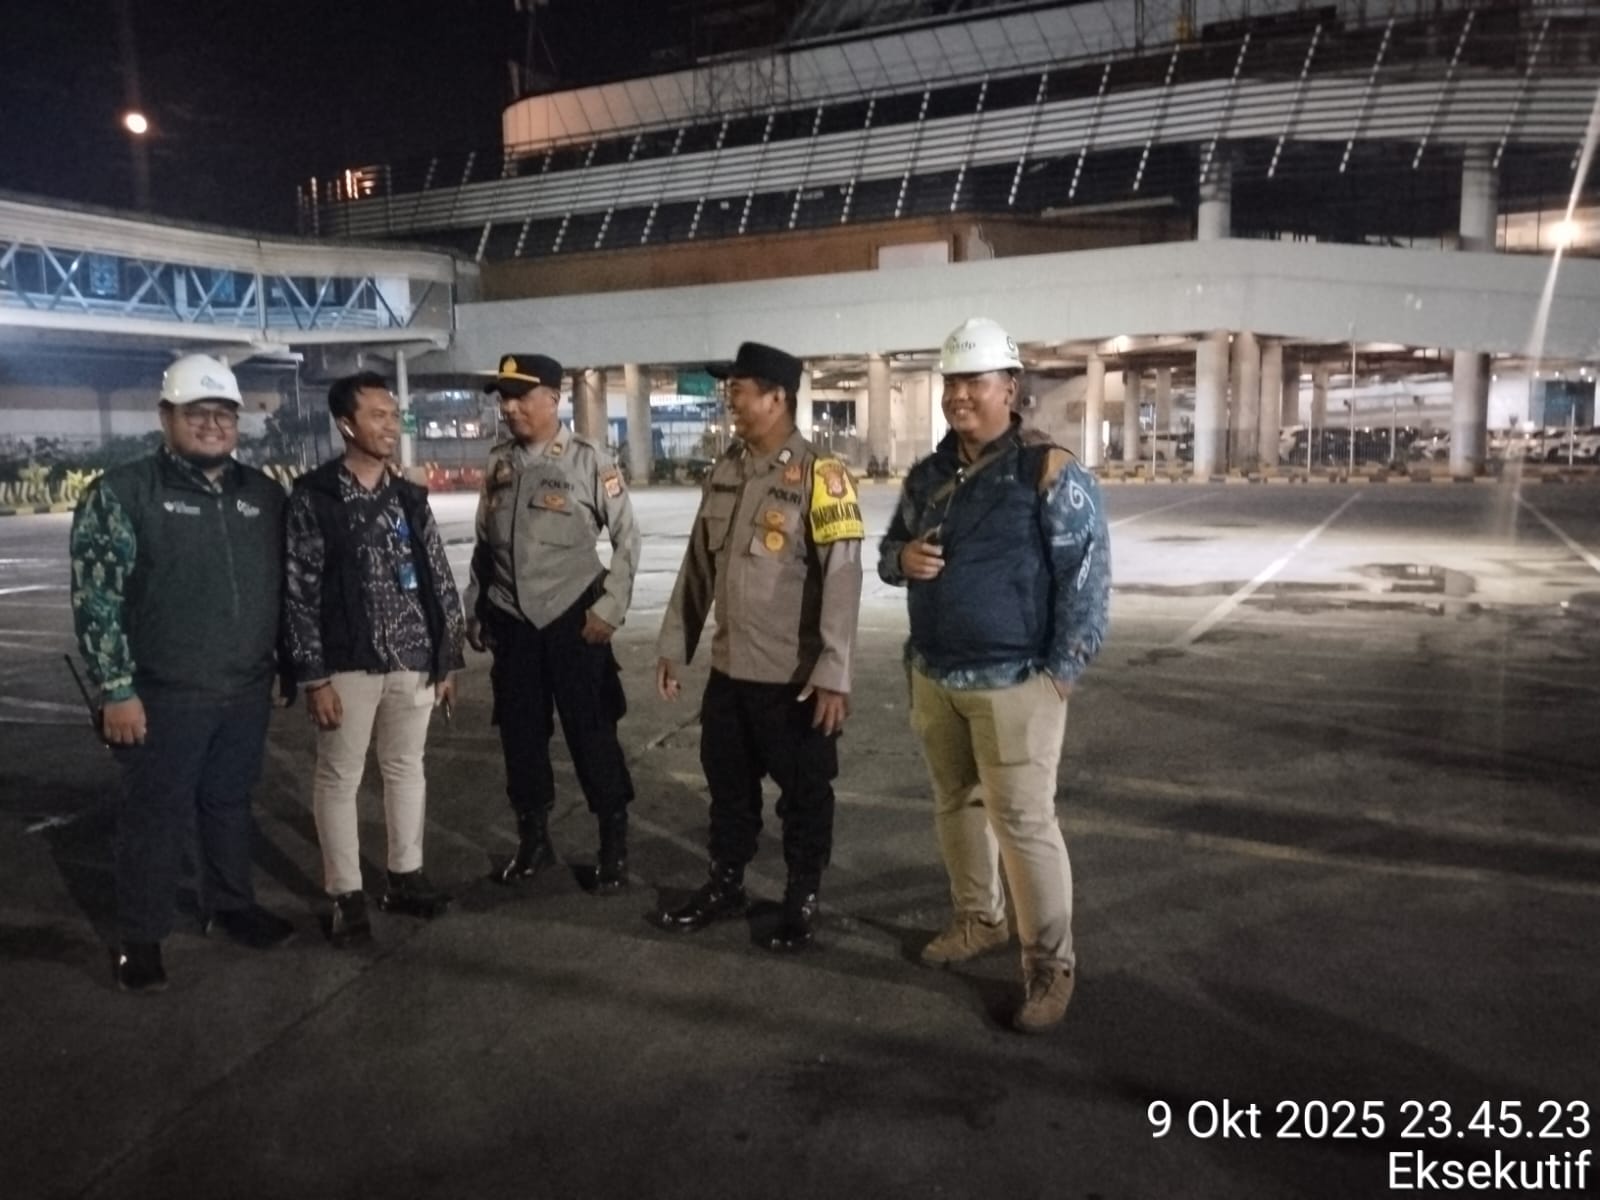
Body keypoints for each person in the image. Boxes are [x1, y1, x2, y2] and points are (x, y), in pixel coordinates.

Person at [878, 317, 1110, 1033]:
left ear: (1010, 387)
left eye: (974, 381)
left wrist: (1060, 674)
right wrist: (901, 561)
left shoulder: (1048, 470)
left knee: (1024, 825)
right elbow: (889, 551)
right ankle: (978, 919)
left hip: (1016, 683)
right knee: (957, 804)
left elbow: (1087, 578)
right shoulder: (928, 476)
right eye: (951, 382)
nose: (959, 395)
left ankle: (1049, 966)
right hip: (936, 677)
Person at [69, 353, 296, 993]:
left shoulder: (263, 495)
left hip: (245, 687)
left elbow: (282, 587)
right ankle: (141, 939)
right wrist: (116, 688)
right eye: (197, 412)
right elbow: (97, 600)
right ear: (166, 416)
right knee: (155, 816)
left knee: (228, 803)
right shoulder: (123, 493)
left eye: (224, 413)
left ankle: (232, 905)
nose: (213, 424)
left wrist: (285, 661)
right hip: (164, 694)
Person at [654, 341, 864, 952]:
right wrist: (676, 643)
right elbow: (698, 566)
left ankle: (801, 897)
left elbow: (844, 577)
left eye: (740, 391)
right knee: (728, 789)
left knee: (804, 795)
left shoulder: (824, 476)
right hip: (730, 672)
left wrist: (834, 671)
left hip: (793, 678)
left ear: (777, 398)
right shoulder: (726, 471)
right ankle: (726, 884)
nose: (732, 401)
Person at [283, 372, 466, 947]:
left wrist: (447, 656)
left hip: (413, 658)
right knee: (340, 776)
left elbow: (438, 576)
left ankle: (406, 876)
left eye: (394, 415)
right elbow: (299, 590)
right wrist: (314, 677)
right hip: (347, 662)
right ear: (346, 424)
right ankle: (346, 894)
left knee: (406, 767)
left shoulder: (409, 496)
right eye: (378, 415)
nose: (391, 425)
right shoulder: (315, 496)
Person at [466, 353, 639, 893]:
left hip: (574, 621)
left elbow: (627, 539)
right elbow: (484, 544)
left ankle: (612, 843)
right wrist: (477, 605)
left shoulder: (589, 460)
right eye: (504, 398)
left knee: (592, 733)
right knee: (520, 736)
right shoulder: (499, 463)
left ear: (552, 399)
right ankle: (534, 840)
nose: (510, 408)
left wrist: (610, 607)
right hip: (513, 624)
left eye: (520, 396)